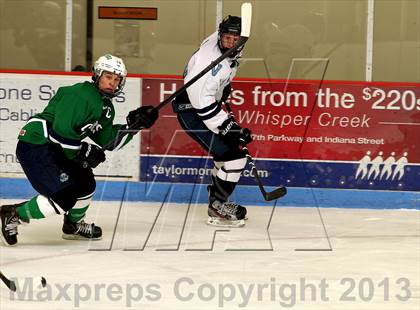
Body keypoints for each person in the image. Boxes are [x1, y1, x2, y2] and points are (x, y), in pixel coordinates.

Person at [0, 54, 158, 246]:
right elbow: (60, 133)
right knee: (63, 197)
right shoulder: (81, 95)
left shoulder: (105, 105)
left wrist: (132, 127)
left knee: (85, 184)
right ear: (97, 75)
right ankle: (13, 214)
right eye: (108, 77)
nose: (112, 83)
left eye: (117, 80)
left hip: (58, 149)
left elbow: (108, 140)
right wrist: (84, 149)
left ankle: (72, 226)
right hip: (36, 145)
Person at [172, 16, 252, 227]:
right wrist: (229, 128)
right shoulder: (209, 66)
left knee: (224, 155)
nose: (231, 43)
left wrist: (222, 88)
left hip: (199, 104)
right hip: (193, 111)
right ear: (220, 36)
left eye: (236, 39)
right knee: (236, 156)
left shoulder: (220, 43)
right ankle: (218, 206)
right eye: (227, 38)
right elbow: (203, 106)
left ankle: (216, 197)